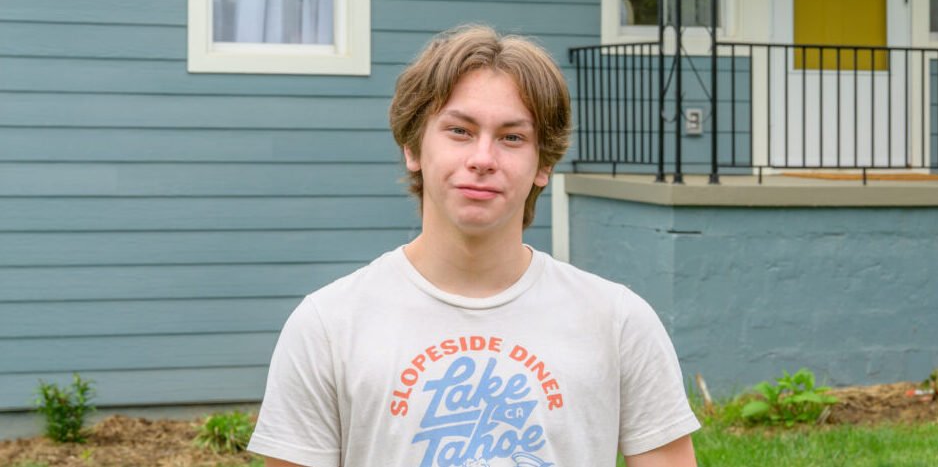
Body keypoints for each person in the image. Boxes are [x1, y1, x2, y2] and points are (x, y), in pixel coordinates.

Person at [248, 25, 700, 467]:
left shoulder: (618, 322)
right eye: (459, 131)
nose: (483, 159)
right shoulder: (328, 326)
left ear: (543, 163)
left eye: (512, 137)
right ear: (412, 146)